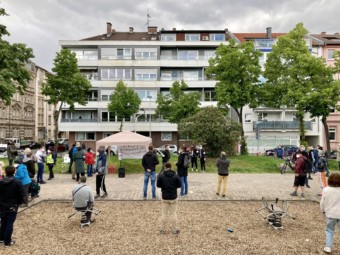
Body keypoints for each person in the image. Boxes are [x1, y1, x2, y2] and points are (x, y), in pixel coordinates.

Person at [0, 166, 25, 247]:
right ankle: (7, 242)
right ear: (14, 172)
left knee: (3, 221)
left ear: (5, 172)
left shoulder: (1, 181)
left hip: (2, 205)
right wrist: (19, 202)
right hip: (12, 205)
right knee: (9, 223)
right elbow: (22, 194)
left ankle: (1, 238)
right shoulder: (17, 182)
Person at [156, 162, 181, 235]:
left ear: (165, 167)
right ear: (171, 167)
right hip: (173, 197)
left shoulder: (161, 176)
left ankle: (163, 229)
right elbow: (179, 185)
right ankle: (174, 229)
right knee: (173, 213)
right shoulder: (175, 176)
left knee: (164, 213)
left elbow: (158, 185)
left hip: (164, 197)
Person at [320, 173, 340, 253]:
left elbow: (322, 202)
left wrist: (322, 210)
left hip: (330, 214)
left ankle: (328, 247)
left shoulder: (326, 190)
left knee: (329, 230)